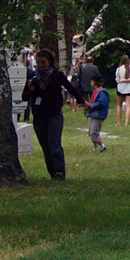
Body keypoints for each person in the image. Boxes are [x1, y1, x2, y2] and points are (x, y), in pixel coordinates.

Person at [25, 49, 88, 178]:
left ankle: (60, 171)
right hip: (38, 115)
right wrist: (30, 89)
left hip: (54, 114)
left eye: (43, 62)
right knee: (45, 146)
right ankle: (52, 172)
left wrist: (82, 102)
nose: (41, 65)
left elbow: (71, 88)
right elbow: (24, 97)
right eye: (38, 62)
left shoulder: (56, 74)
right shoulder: (32, 76)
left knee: (55, 144)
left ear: (50, 62)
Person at [85, 79, 111, 151]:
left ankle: (102, 146)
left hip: (99, 115)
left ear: (94, 82)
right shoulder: (96, 92)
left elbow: (101, 103)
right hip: (94, 114)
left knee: (94, 132)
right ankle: (96, 147)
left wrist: (91, 106)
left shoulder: (102, 92)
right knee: (91, 132)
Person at [115, 55, 130, 125]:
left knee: (119, 105)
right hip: (129, 89)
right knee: (128, 105)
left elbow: (117, 79)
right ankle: (126, 122)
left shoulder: (119, 69)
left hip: (121, 88)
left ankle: (119, 122)